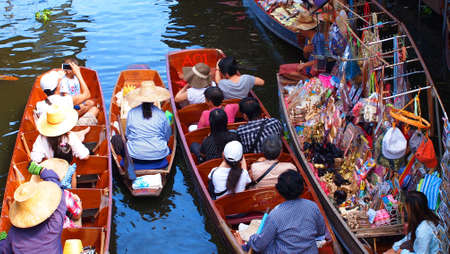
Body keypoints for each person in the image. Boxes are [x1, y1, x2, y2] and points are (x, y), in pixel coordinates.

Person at [0, 159, 79, 253]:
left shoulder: (13, 234)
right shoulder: (54, 223)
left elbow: (3, 250)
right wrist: (40, 170)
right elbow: (57, 187)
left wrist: (3, 239)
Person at [240, 170, 326, 254]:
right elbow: (321, 232)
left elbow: (259, 245)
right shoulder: (313, 206)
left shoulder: (275, 215)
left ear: (279, 191)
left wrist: (251, 239)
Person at [111, 81, 171, 167]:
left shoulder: (132, 112)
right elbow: (167, 137)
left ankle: (125, 166)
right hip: (159, 156)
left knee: (115, 139)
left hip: (135, 157)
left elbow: (128, 135)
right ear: (155, 99)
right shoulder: (162, 114)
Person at [29, 158, 82, 229]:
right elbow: (77, 215)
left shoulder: (32, 195)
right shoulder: (65, 195)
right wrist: (78, 201)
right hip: (62, 228)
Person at [59, 58, 99, 125]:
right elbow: (67, 100)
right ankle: (77, 119)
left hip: (77, 103)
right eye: (66, 67)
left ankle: (80, 116)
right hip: (70, 107)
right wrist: (77, 106)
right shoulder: (64, 81)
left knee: (91, 102)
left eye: (70, 68)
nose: (67, 70)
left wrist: (82, 103)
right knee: (95, 108)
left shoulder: (75, 78)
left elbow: (79, 92)